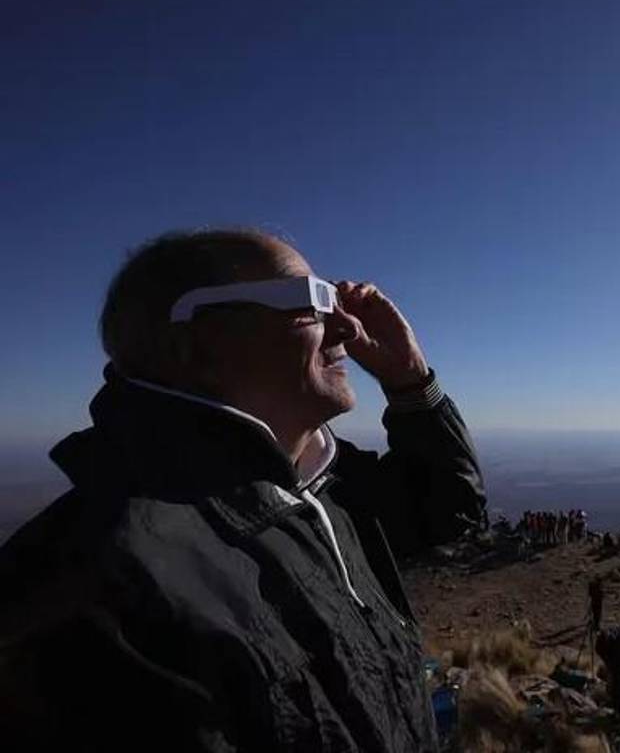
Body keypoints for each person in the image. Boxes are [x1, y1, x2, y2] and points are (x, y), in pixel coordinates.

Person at [0, 229, 487, 751]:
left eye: (335, 301)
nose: (346, 326)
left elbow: (449, 514)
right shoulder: (99, 590)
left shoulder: (316, 490)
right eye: (311, 302)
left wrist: (411, 381)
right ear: (192, 345)